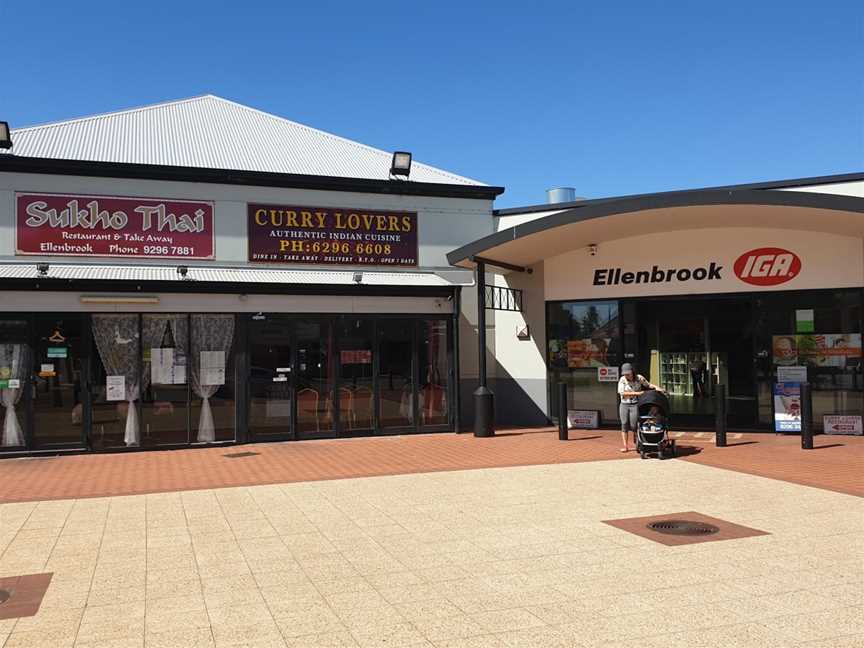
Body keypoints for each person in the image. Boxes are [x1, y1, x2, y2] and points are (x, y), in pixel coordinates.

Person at [617, 363, 663, 453]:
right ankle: (625, 446)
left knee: (634, 425)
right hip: (624, 404)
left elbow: (648, 385)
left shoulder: (639, 378)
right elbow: (622, 393)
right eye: (625, 374)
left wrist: (657, 388)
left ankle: (637, 439)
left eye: (628, 374)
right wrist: (638, 393)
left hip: (635, 404)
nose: (626, 375)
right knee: (624, 423)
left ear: (632, 372)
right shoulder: (622, 380)